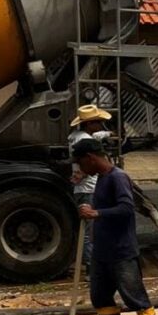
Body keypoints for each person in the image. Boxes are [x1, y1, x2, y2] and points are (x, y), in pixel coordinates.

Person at [73, 138, 158, 315]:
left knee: (136, 298)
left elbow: (126, 209)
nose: (80, 169)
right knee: (100, 297)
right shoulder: (101, 179)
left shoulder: (117, 178)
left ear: (90, 158)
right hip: (102, 253)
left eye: (81, 164)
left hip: (121, 252)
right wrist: (89, 210)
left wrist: (97, 214)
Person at [67, 105, 113, 268]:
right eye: (98, 122)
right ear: (89, 124)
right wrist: (84, 173)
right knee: (90, 232)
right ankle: (92, 268)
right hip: (88, 188)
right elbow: (87, 163)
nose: (100, 125)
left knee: (87, 230)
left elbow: (99, 135)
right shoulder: (85, 140)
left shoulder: (75, 136)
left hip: (81, 188)